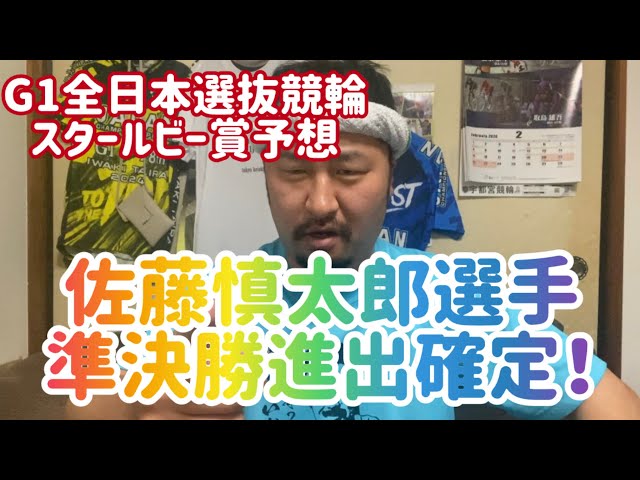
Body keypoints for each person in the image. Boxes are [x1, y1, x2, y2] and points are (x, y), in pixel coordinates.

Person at [65, 60, 640, 420]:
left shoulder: (450, 298)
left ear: (390, 176)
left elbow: (608, 402)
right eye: (294, 171)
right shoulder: (215, 297)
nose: (319, 202)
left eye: (347, 171)